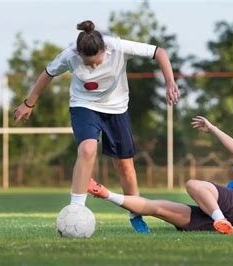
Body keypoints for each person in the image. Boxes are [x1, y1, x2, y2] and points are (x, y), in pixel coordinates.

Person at [13, 20, 180, 233]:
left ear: (105, 50)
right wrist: (29, 103)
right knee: (87, 148)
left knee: (125, 166)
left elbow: (160, 52)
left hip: (117, 109)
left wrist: (170, 82)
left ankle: (135, 214)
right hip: (84, 106)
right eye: (88, 63)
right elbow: (47, 74)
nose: (93, 66)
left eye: (97, 62)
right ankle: (76, 209)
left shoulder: (118, 47)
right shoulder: (70, 55)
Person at [87, 116, 233, 234]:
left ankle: (219, 219)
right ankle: (106, 193)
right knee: (157, 207)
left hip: (230, 213)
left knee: (194, 184)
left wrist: (213, 129)